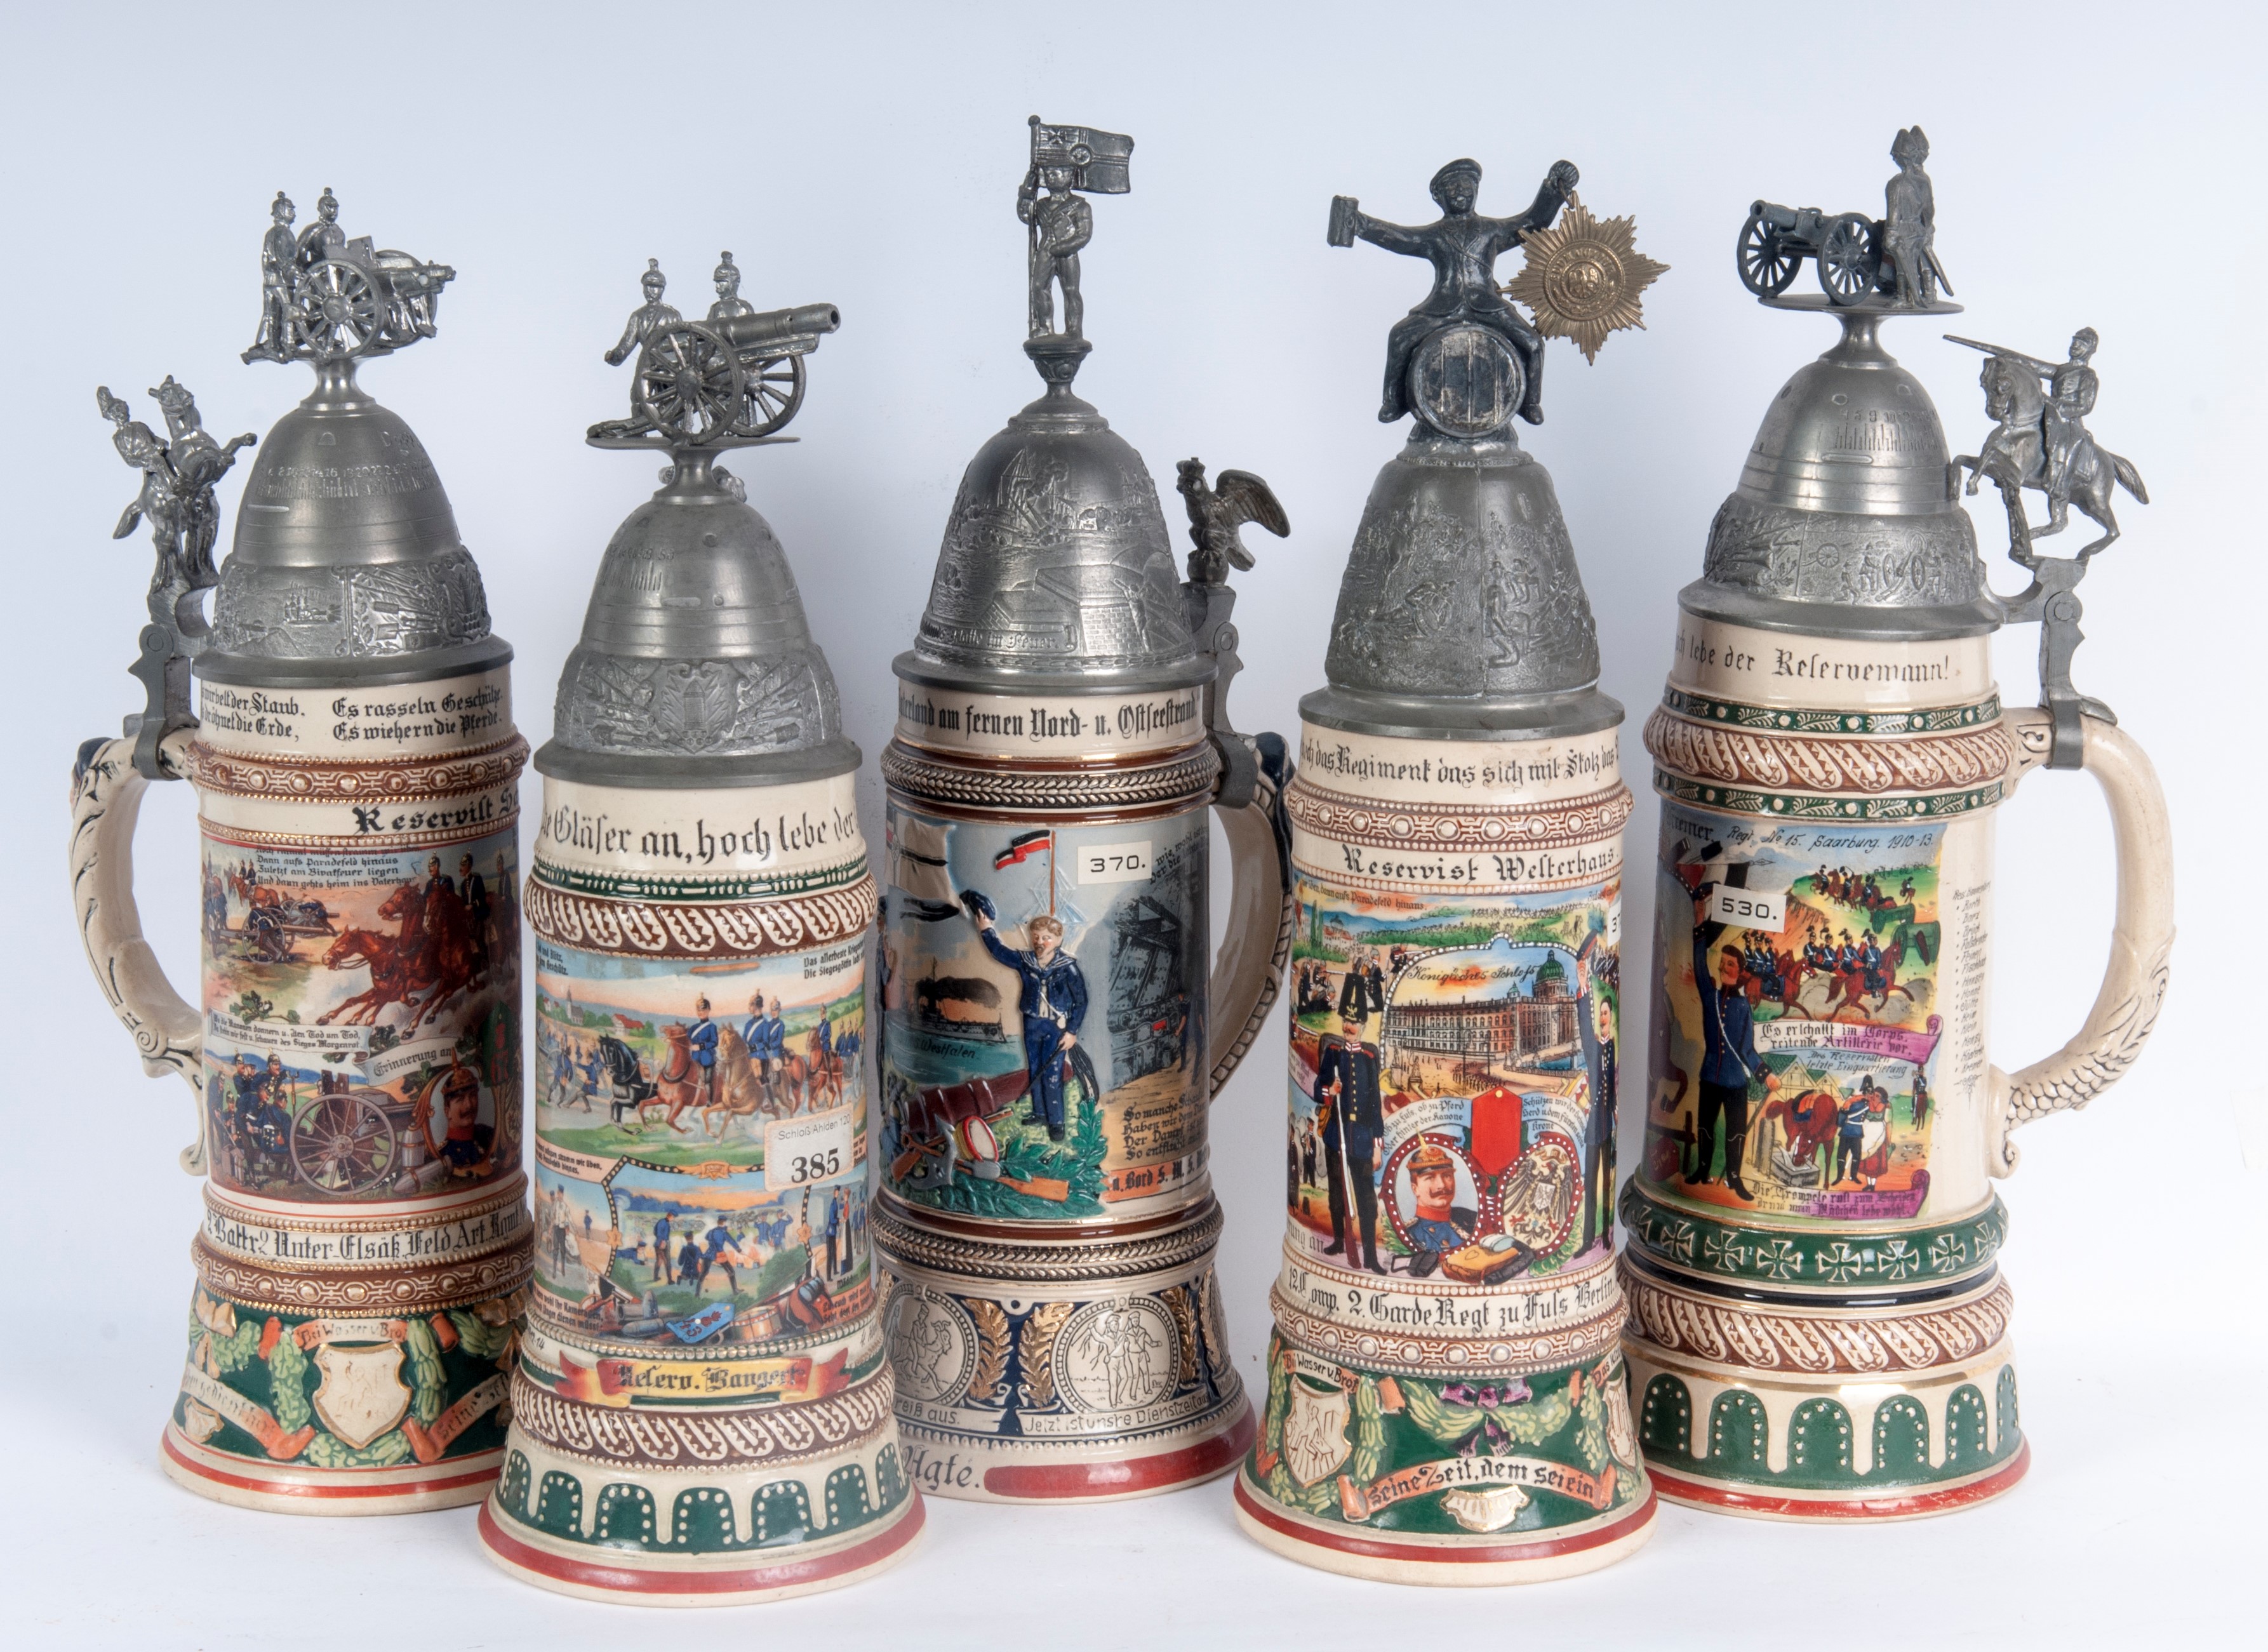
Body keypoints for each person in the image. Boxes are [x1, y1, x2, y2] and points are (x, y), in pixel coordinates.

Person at [1333, 156, 1578, 425]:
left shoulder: (1492, 230)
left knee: (1533, 344)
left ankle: (1530, 404)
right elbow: (1399, 238)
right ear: (1439, 198)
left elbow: (1532, 222)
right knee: (1400, 338)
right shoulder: (1435, 234)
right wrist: (1360, 223)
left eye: (1466, 186)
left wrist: (1554, 188)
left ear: (1476, 190)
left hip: (1487, 305)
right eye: (1452, 188)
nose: (1460, 193)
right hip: (1442, 306)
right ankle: (1394, 402)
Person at [970, 898, 1088, 1142]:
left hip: (1056, 1027)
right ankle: (1040, 1113)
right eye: (1036, 937)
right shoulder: (1026, 962)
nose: (1040, 942)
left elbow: (1081, 1001)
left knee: (1052, 1073)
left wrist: (1072, 1031)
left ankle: (1056, 1122)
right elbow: (1000, 953)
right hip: (1032, 1023)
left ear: (1058, 940)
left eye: (1046, 938)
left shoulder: (1067, 968)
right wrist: (986, 929)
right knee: (1035, 1068)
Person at [1690, 910, 1761, 1201]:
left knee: (1736, 1133)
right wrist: (1699, 928)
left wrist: (1765, 1074)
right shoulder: (1711, 997)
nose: (1724, 966)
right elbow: (1698, 967)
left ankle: (1734, 1178)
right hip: (1710, 1076)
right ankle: (1702, 1170)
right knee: (1705, 1128)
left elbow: (1747, 1049)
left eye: (1730, 963)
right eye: (1723, 962)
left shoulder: (1743, 1007)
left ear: (1739, 970)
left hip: (1735, 1082)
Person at [1316, 1011, 1385, 1273]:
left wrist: (1377, 1146)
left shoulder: (1368, 1058)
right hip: (1337, 1135)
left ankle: (1370, 1258)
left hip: (1362, 1139)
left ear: (1363, 1026)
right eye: (1346, 1021)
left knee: (1367, 1201)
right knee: (1336, 1194)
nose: (1348, 1027)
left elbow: (1375, 1103)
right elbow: (1317, 1088)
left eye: (1353, 1023)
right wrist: (1329, 1091)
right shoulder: (1333, 1054)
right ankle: (1339, 1241)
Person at [1018, 159, 1091, 338]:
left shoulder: (1080, 206)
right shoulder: (1041, 205)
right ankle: (1045, 327)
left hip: (1067, 254)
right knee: (1038, 288)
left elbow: (1084, 235)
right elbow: (1026, 216)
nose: (1050, 178)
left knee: (1071, 291)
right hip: (1045, 252)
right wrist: (1027, 192)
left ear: (1068, 176)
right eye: (1048, 174)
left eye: (1055, 174)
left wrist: (1062, 248)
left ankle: (1074, 329)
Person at [1883, 127, 1938, 309]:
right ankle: (1929, 293)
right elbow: (1929, 209)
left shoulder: (1895, 184)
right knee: (1922, 263)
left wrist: (1891, 235)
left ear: (1899, 158)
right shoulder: (1923, 181)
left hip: (1904, 230)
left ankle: (1904, 298)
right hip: (1919, 229)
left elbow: (1893, 213)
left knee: (1903, 266)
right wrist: (1927, 228)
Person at [1402, 1142, 1476, 1272]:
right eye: (1430, 1178)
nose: (1441, 1185)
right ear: (1415, 1189)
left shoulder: (1472, 1218)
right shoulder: (1412, 1233)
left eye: (1447, 1176)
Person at [246, 191, 297, 363]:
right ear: (282, 211)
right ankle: (287, 344)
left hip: (273, 280)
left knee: (273, 313)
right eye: (291, 209)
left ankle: (274, 345)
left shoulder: (275, 232)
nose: (294, 213)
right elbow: (283, 259)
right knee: (287, 311)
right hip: (281, 281)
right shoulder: (281, 233)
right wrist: (296, 272)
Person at [605, 258, 681, 367]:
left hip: (670, 367)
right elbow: (627, 343)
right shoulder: (637, 316)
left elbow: (681, 346)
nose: (649, 291)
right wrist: (614, 357)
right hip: (647, 367)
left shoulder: (672, 315)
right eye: (647, 287)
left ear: (662, 289)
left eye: (654, 287)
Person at [686, 996, 718, 1108]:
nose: (701, 1012)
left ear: (709, 1010)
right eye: (699, 1010)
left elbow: (714, 1042)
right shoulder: (693, 1028)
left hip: (708, 1059)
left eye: (704, 1010)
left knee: (707, 1081)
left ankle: (709, 1101)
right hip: (695, 1059)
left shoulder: (712, 1027)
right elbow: (687, 1040)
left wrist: (700, 1046)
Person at [707, 251, 754, 321]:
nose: (717, 287)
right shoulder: (715, 309)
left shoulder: (744, 307)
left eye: (721, 282)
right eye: (717, 282)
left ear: (732, 282)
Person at [697, 1218, 738, 1295]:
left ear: (718, 1223)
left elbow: (706, 1237)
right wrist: (738, 1249)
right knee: (731, 1272)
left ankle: (697, 1294)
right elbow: (731, 1241)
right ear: (724, 1223)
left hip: (709, 1254)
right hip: (719, 1255)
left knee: (703, 1273)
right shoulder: (724, 1232)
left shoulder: (711, 1231)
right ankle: (735, 1291)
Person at [652, 1213, 673, 1283]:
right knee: (667, 1262)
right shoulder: (664, 1223)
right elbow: (660, 1234)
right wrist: (663, 1241)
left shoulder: (661, 1221)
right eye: (673, 1217)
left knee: (659, 1261)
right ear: (670, 1216)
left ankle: (655, 1277)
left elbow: (655, 1232)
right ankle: (670, 1280)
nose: (673, 1219)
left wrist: (659, 1240)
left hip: (658, 1243)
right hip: (663, 1244)